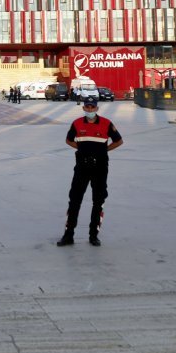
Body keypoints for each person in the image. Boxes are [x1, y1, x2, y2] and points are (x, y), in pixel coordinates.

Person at [57, 95, 123, 247]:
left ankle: (94, 235)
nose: (90, 109)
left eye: (93, 107)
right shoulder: (77, 123)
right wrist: (81, 150)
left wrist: (104, 151)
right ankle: (68, 235)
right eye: (87, 107)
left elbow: (119, 141)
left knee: (98, 201)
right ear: (83, 108)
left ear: (97, 108)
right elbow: (68, 140)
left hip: (100, 168)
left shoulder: (106, 123)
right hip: (81, 168)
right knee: (74, 200)